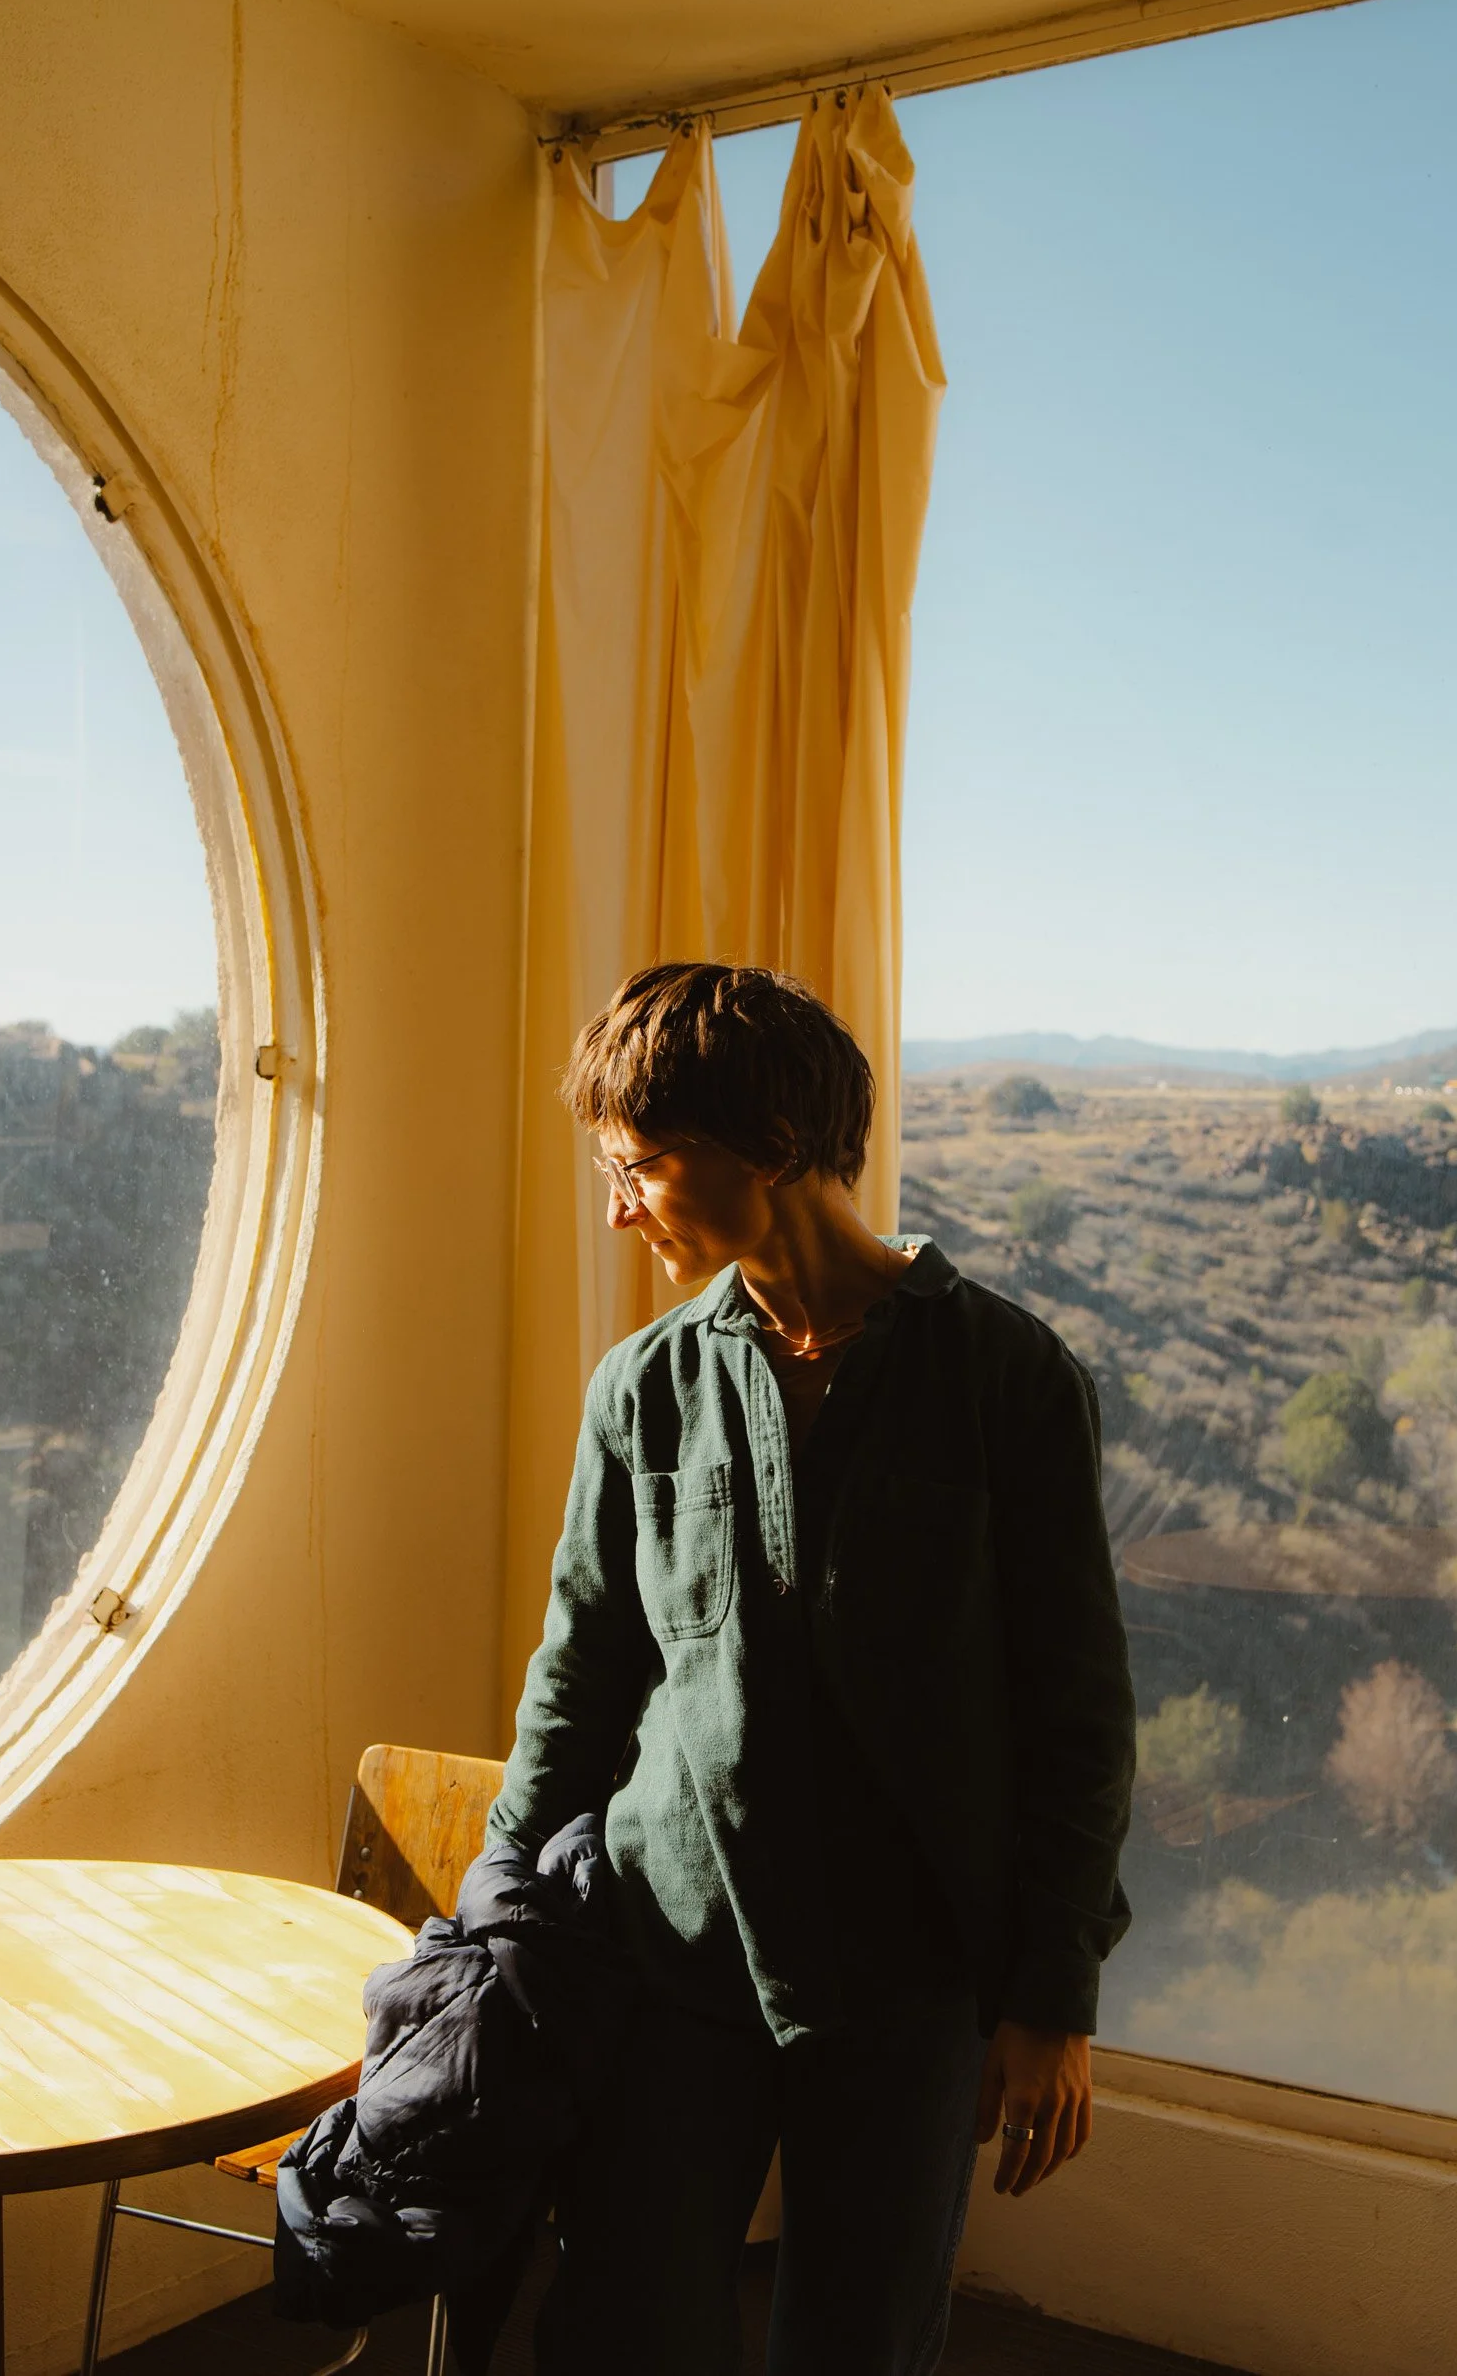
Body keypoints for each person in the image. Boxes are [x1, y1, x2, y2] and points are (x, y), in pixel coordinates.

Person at [487, 962, 1135, 2376]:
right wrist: (501, 1905)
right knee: (619, 2327)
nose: (618, 1208)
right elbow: (582, 1668)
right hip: (670, 1956)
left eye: (640, 1166)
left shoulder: (1005, 1377)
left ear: (770, 1146)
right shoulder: (642, 1385)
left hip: (906, 1975)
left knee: (856, 2339)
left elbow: (1074, 1712)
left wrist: (1049, 1999)